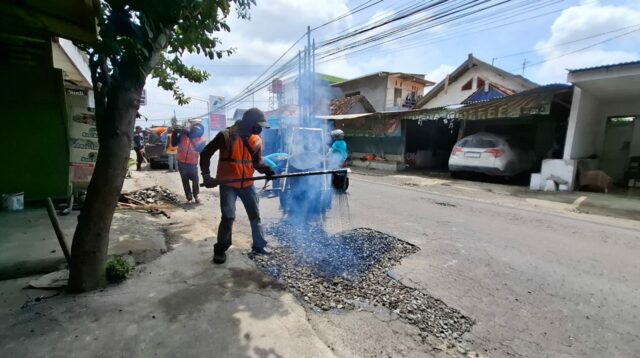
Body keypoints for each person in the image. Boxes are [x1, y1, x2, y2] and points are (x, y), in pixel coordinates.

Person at [200, 108, 275, 264]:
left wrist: (266, 169)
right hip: (228, 184)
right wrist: (206, 176)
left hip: (247, 183)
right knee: (228, 216)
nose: (260, 128)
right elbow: (205, 153)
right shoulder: (225, 135)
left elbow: (256, 162)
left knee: (255, 215)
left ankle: (259, 245)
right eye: (258, 125)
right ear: (249, 122)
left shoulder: (256, 139)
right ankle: (221, 248)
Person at [172, 123, 207, 203]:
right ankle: (189, 198)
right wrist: (175, 133)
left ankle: (196, 196)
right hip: (181, 163)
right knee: (185, 180)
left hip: (192, 163)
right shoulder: (183, 136)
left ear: (200, 132)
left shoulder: (201, 140)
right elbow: (173, 144)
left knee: (195, 180)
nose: (194, 131)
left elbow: (200, 150)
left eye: (196, 130)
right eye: (193, 130)